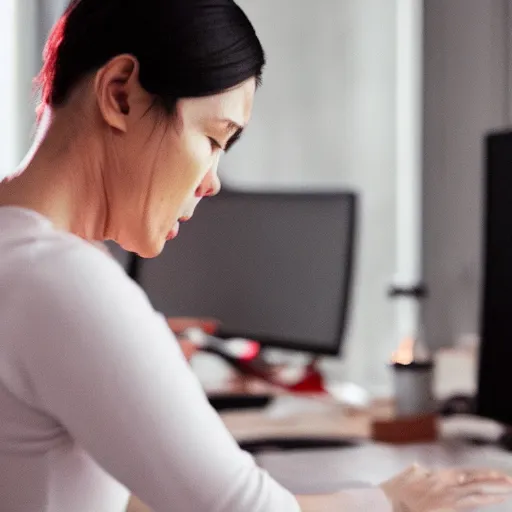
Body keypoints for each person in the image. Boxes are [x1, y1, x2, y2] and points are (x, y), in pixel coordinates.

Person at [0, 1, 511, 511]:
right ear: (121, 94)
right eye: (212, 137)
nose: (212, 181)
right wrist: (393, 502)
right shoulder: (59, 280)